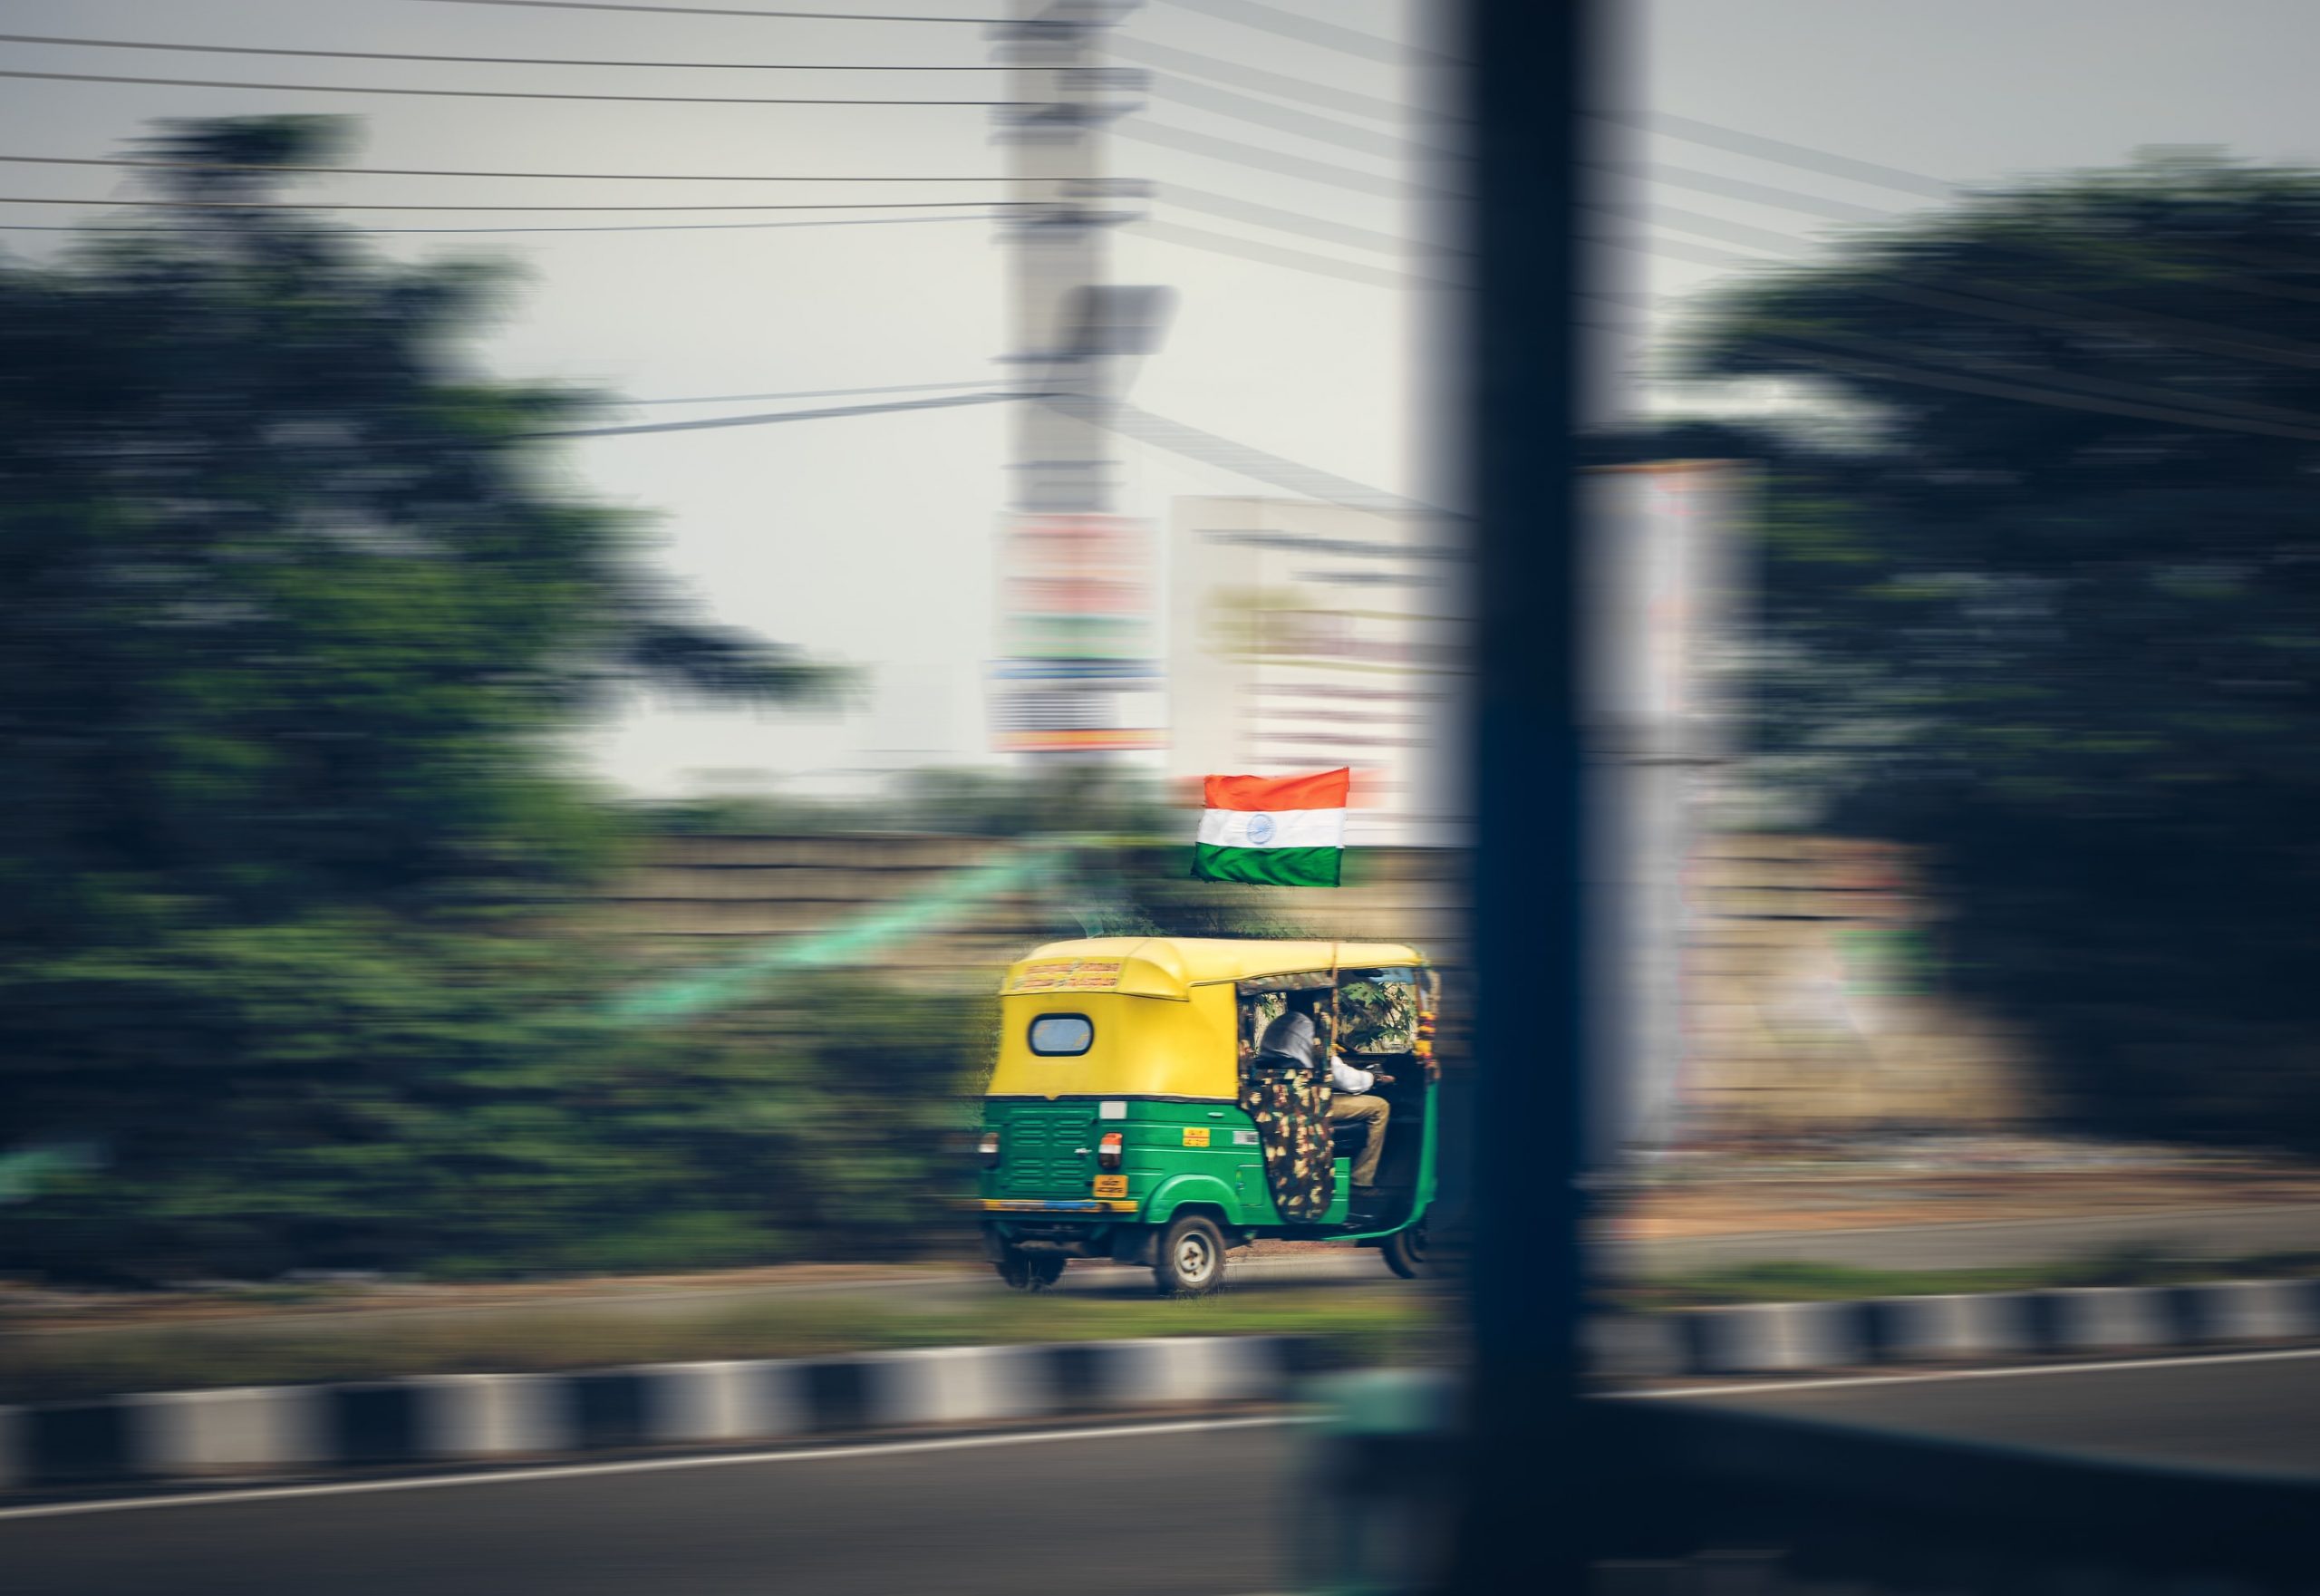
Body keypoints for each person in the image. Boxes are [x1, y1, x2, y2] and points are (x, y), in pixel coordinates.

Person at [1308, 1009, 1394, 1194]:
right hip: (1310, 1102)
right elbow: (1346, 1081)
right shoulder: (1313, 1032)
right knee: (1380, 1107)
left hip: (1299, 1096)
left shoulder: (1286, 1023)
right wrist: (1376, 1079)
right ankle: (1361, 1181)